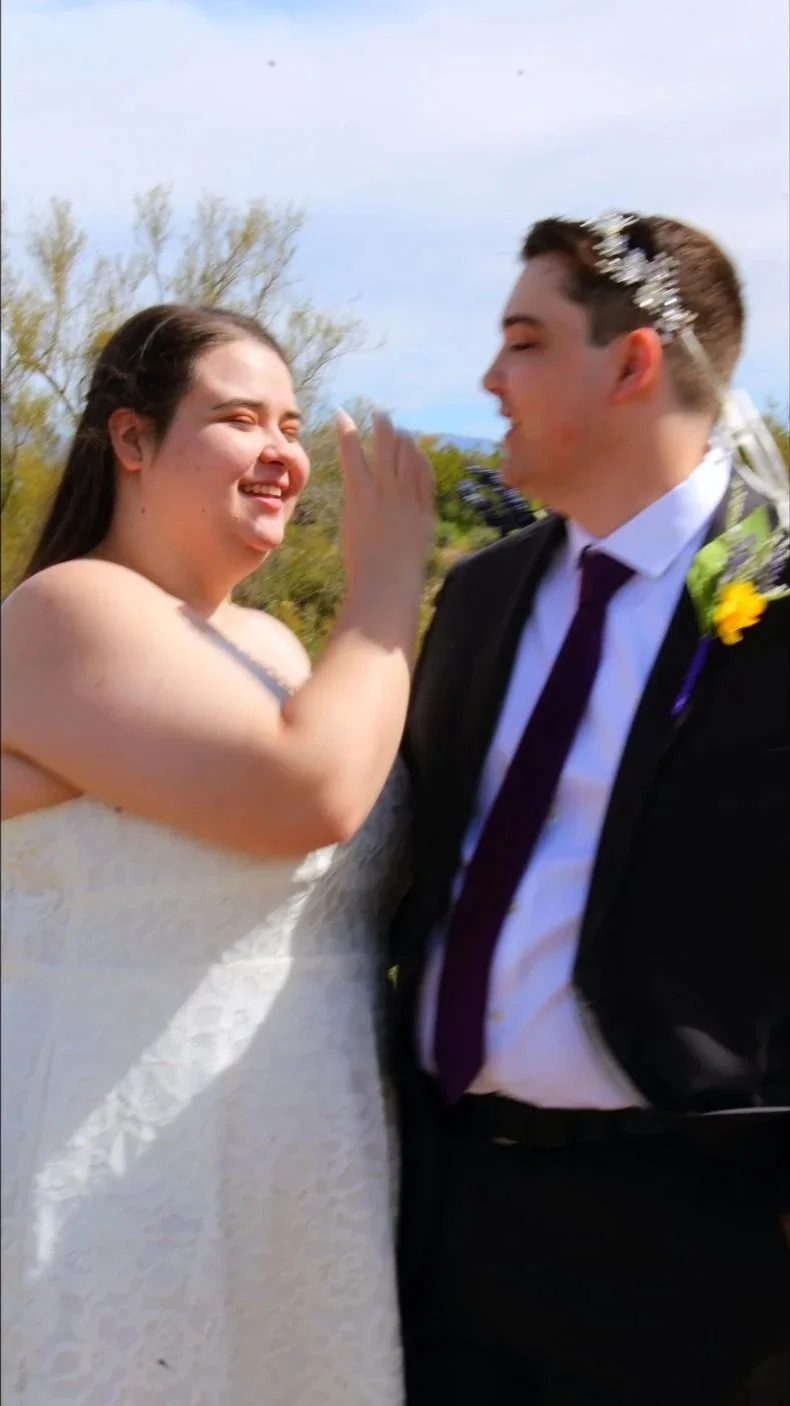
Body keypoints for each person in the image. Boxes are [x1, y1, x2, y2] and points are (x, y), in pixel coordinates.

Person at [1, 303, 434, 1405]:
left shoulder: (276, 648)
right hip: (125, 1179)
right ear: (132, 439)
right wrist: (386, 587)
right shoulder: (70, 604)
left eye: (290, 422)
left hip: (302, 1164)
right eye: (239, 418)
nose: (283, 451)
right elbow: (312, 790)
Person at [391, 214, 790, 1405]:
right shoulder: (476, 597)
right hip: (446, 1211)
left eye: (524, 340)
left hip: (698, 1240)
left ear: (631, 365)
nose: (486, 379)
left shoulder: (780, 592)